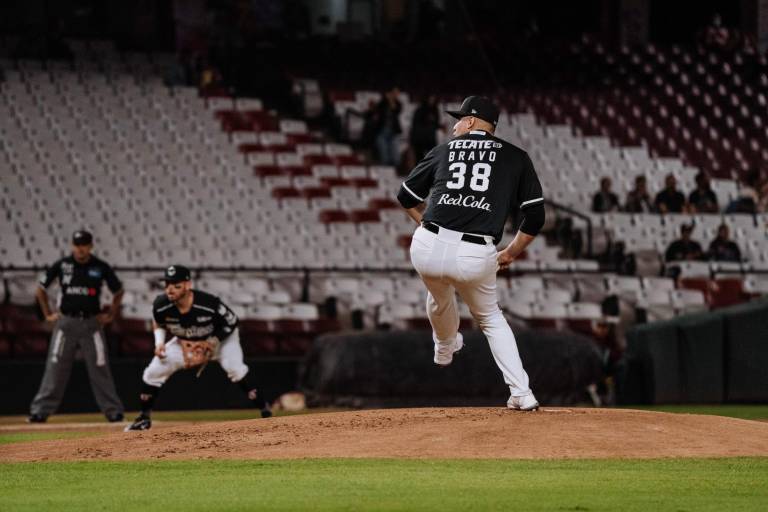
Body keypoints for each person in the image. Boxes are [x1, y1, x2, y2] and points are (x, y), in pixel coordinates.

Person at [396, 96, 545, 411]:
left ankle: (445, 345)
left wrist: (429, 228)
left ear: (473, 122)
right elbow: (535, 216)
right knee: (490, 318)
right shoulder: (516, 157)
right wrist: (510, 252)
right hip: (475, 252)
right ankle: (521, 393)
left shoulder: (443, 151)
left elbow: (406, 195)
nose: (454, 125)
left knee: (439, 295)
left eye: (459, 119)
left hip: (426, 246)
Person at [125, 265, 271, 431]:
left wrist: (212, 341)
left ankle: (265, 411)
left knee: (235, 369)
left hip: (221, 341)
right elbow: (158, 322)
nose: (170, 289)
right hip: (185, 343)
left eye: (176, 285)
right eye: (167, 284)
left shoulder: (208, 303)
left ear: (188, 285)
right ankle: (144, 418)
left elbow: (232, 321)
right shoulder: (161, 304)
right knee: (153, 371)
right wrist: (159, 343)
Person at [28, 230, 124, 423]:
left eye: (84, 244)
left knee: (100, 367)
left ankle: (113, 411)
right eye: (77, 244)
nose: (80, 248)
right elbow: (40, 289)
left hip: (92, 323)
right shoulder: (63, 265)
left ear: (90, 246)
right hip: (66, 323)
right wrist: (47, 313)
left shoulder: (100, 266)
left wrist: (111, 314)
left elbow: (118, 290)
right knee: (55, 367)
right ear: (72, 245)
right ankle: (40, 411)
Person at [375, 87, 403, 166]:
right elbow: (378, 110)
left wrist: (391, 101)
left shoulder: (398, 103)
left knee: (395, 157)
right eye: (394, 92)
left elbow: (396, 110)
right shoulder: (382, 103)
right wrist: (386, 99)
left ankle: (395, 170)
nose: (396, 95)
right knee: (384, 155)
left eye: (397, 93)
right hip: (382, 131)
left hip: (393, 131)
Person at [409, 95, 440, 161]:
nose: (431, 101)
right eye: (430, 99)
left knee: (432, 156)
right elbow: (415, 125)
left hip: (430, 138)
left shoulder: (435, 110)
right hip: (419, 138)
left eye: (433, 99)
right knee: (419, 158)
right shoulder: (420, 110)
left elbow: (436, 124)